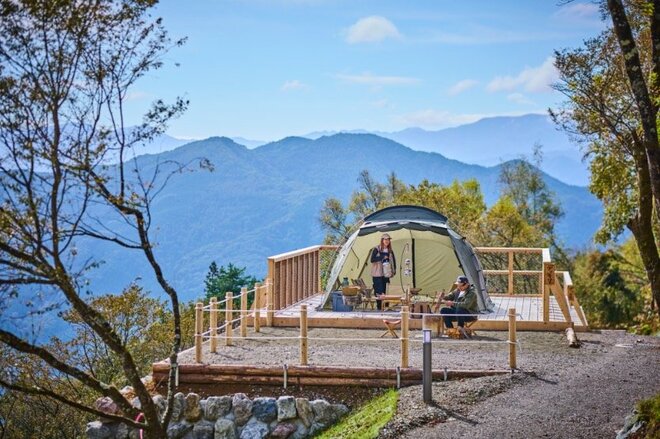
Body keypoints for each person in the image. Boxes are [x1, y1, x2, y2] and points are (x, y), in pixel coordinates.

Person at [370, 233, 396, 310]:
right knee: (379, 290)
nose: (387, 241)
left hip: (386, 273)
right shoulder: (376, 249)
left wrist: (393, 270)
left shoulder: (390, 251)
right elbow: (372, 260)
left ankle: (385, 307)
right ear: (382, 240)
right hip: (377, 274)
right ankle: (379, 308)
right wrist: (382, 257)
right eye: (385, 239)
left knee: (385, 290)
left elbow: (393, 262)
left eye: (388, 239)